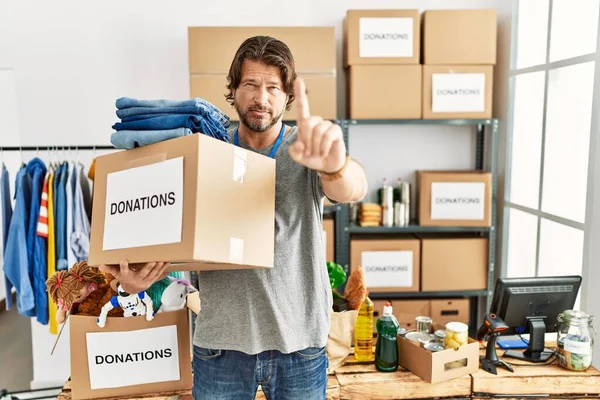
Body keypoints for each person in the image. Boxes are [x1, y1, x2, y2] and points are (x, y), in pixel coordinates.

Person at [99, 35, 368, 400]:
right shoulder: (204, 148)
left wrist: (336, 168)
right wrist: (135, 280)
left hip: (299, 345)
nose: (261, 98)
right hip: (220, 347)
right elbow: (164, 226)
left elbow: (351, 188)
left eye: (273, 87)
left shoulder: (304, 148)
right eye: (251, 85)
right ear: (233, 90)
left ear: (287, 95)